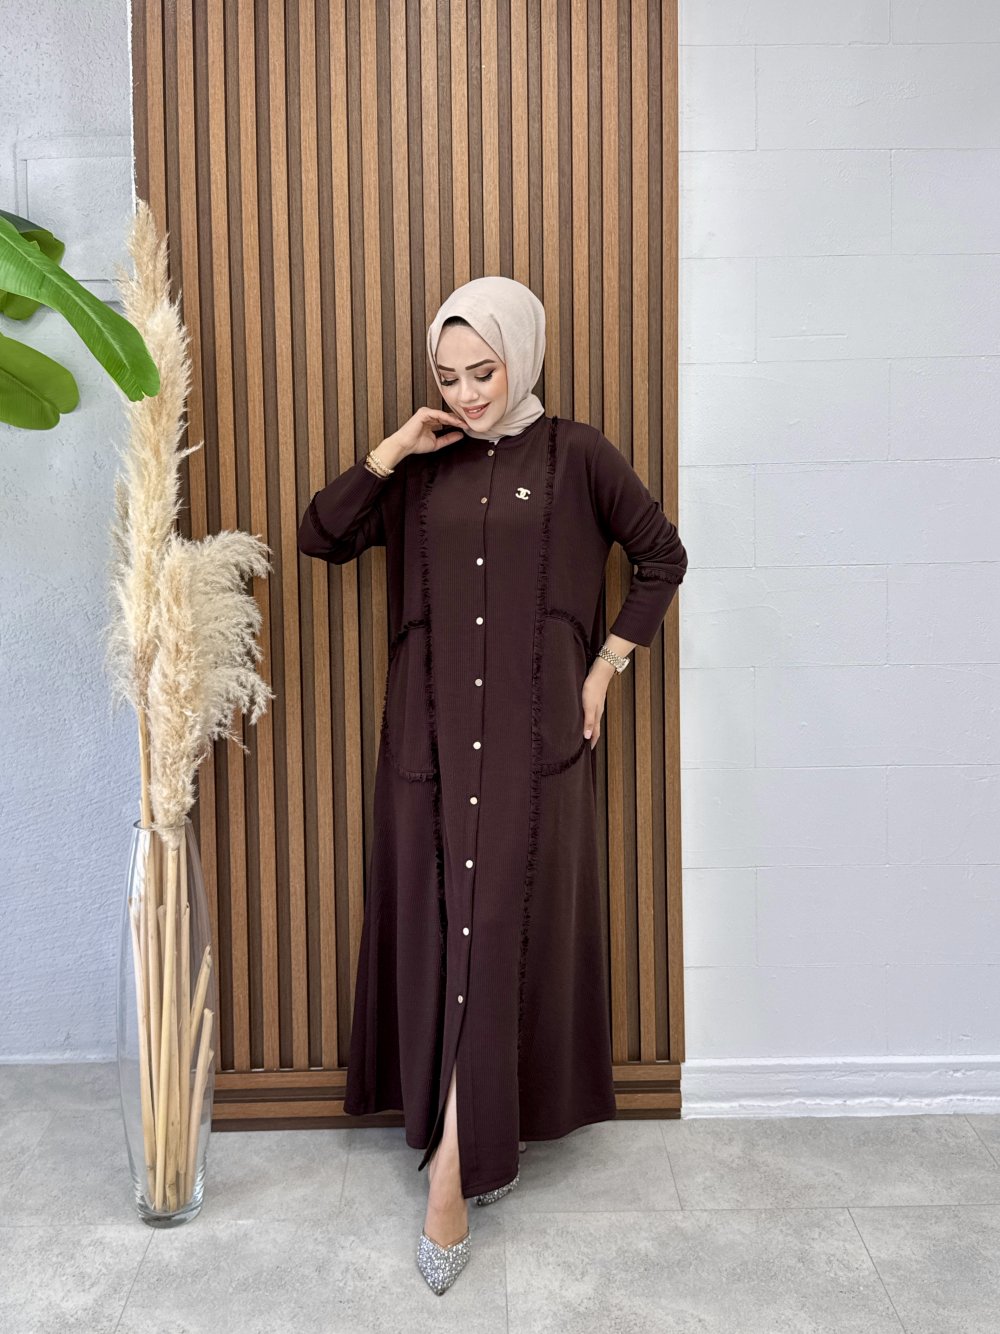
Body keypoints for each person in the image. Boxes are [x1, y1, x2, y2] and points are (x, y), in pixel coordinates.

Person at [297, 275, 688, 1294]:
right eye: (449, 376)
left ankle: (453, 1174)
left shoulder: (578, 455)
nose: (468, 394)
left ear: (522, 355)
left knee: (500, 935)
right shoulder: (421, 467)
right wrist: (393, 448)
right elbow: (321, 535)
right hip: (425, 745)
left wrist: (602, 669)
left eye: (485, 371)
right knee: (445, 937)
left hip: (534, 744)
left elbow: (661, 557)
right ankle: (466, 1141)